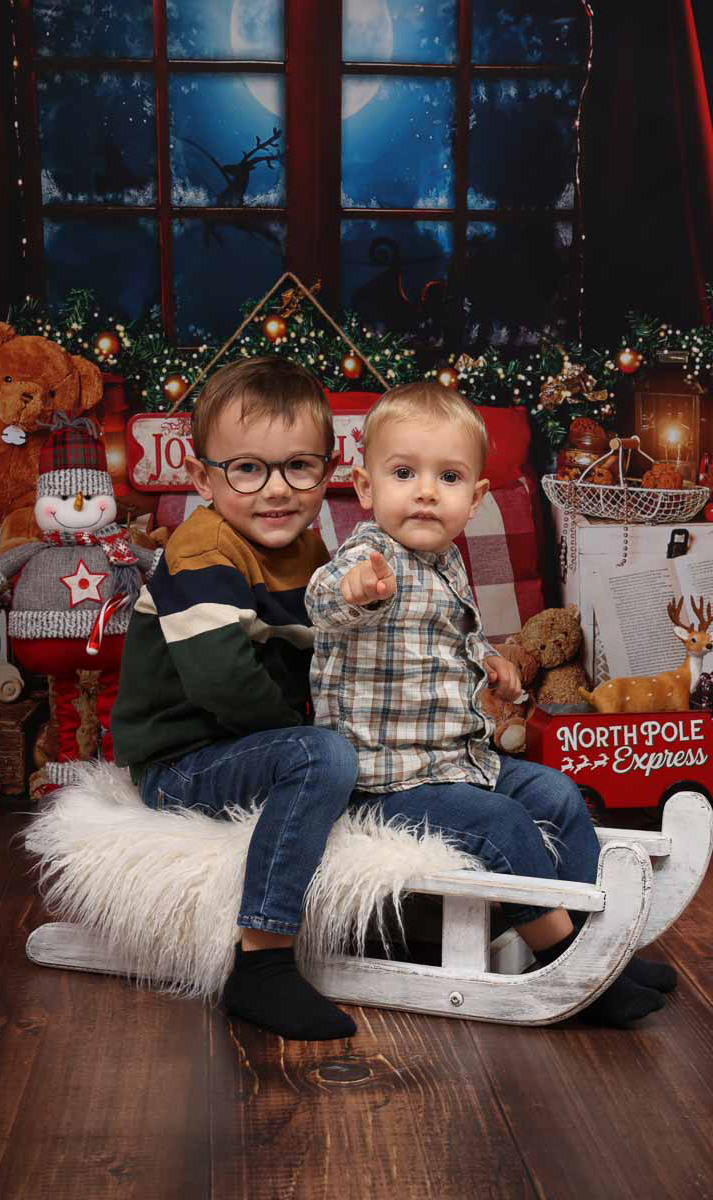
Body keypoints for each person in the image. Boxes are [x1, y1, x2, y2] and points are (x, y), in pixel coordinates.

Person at [305, 382, 676, 1027]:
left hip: (456, 762)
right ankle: (564, 960)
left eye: (447, 477)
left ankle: (595, 941)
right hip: (384, 782)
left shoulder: (446, 563)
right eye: (403, 473)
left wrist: (493, 665)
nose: (425, 492)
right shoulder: (370, 556)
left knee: (556, 793)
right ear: (365, 488)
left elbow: (454, 638)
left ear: (474, 499)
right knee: (501, 824)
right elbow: (322, 598)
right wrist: (356, 589)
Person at [112, 357, 359, 1041]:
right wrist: (309, 741)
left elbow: (331, 647)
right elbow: (222, 682)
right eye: (247, 469)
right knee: (325, 758)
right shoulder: (202, 549)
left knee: (358, 756)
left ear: (330, 470)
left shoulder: (310, 549)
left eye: (299, 466)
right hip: (183, 762)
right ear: (202, 478)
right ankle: (262, 960)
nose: (276, 490)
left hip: (251, 748)